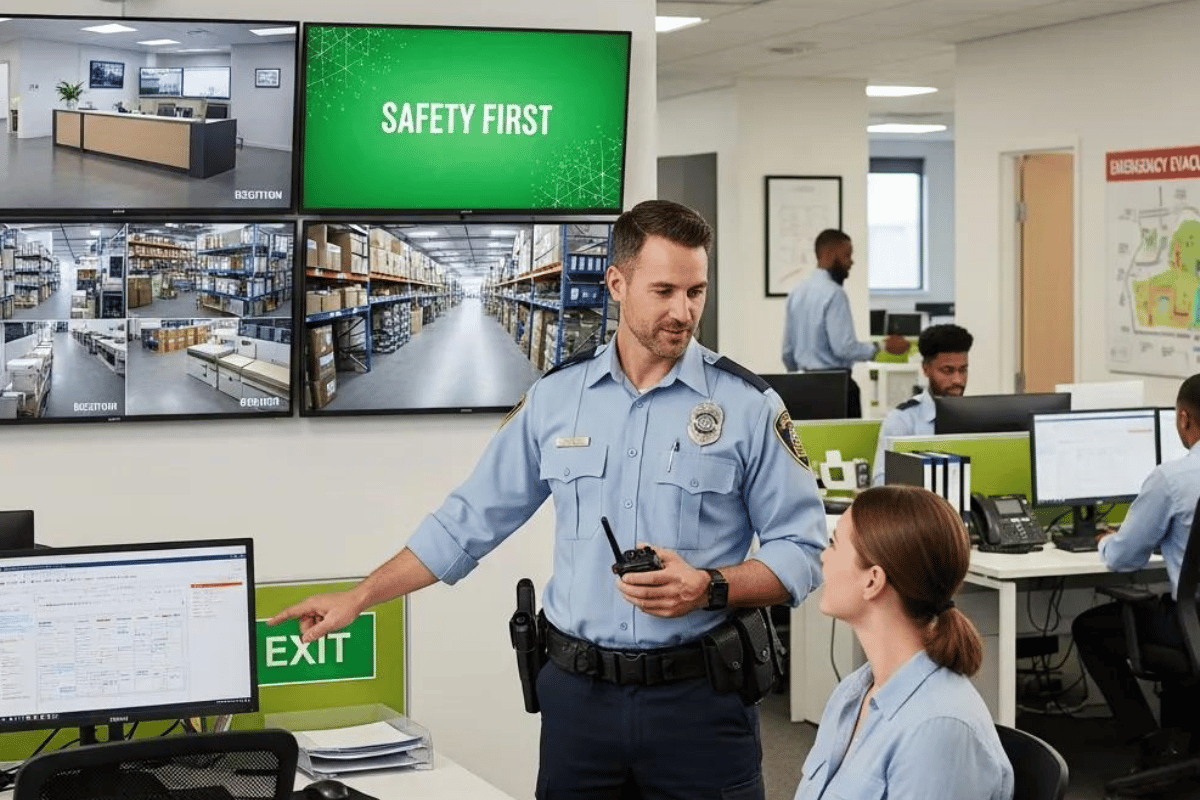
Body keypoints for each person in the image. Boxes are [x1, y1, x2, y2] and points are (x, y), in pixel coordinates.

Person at [270, 200, 828, 800]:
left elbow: (803, 551)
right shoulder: (556, 398)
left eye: (696, 292)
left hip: (699, 702)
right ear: (617, 282)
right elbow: (468, 522)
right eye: (663, 290)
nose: (683, 311)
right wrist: (360, 596)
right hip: (579, 704)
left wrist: (710, 585)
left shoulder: (748, 406)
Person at [794, 486, 1014, 800]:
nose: (823, 556)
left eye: (834, 544)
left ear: (872, 580)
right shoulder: (853, 693)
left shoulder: (938, 731)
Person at [1072, 373, 1200, 768]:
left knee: (1089, 628)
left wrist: (1104, 541)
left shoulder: (1173, 479)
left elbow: (1124, 559)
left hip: (1193, 626)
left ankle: (1151, 741)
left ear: (1183, 419)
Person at [781, 229, 908, 418]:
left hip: (803, 388)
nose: (851, 262)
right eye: (847, 255)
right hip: (835, 388)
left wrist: (800, 382)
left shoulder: (797, 292)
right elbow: (844, 348)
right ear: (830, 255)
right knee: (845, 445)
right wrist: (883, 346)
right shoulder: (834, 293)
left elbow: (787, 352)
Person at [872, 324, 973, 485]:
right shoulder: (903, 420)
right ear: (926, 369)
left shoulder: (975, 416)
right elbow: (880, 482)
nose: (958, 380)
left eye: (963, 370)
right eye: (947, 370)